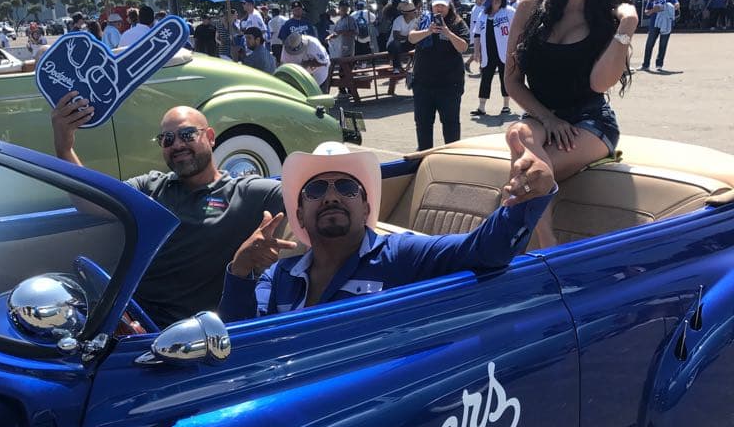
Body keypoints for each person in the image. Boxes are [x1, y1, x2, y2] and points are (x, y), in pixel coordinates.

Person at [220, 135, 555, 320]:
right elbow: (242, 346)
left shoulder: (400, 256)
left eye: (347, 188)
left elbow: (482, 251)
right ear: (301, 214)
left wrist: (527, 198)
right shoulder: (278, 276)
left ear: (365, 207)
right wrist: (239, 270)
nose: (332, 196)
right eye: (317, 190)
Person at [50, 97, 283, 329]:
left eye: (188, 135)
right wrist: (64, 146)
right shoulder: (150, 187)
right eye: (167, 139)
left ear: (210, 137)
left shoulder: (244, 192)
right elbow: (91, 201)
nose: (177, 145)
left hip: (184, 335)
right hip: (126, 318)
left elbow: (303, 194)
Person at [504, 0, 637, 250]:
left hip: (589, 123)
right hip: (540, 117)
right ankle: (548, 249)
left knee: (526, 174)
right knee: (518, 131)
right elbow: (513, 81)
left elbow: (599, 85)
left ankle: (538, 250)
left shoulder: (609, 14)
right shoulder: (530, 7)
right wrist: (548, 119)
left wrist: (626, 28)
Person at [407, 0, 470, 151]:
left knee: (450, 126)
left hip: (449, 86)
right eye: (436, 5)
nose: (439, 8)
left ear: (449, 4)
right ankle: (423, 158)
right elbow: (411, 38)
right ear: (431, 5)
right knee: (423, 125)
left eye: (443, 5)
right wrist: (428, 31)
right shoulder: (423, 19)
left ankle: (452, 159)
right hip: (423, 85)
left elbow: (463, 47)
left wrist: (448, 33)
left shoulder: (457, 22)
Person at [471, 0, 515, 119]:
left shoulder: (509, 11)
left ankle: (506, 105)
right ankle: (481, 107)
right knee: (485, 78)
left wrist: (515, 49)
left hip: (505, 52)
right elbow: (477, 34)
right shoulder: (482, 14)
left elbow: (517, 30)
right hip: (488, 53)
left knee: (504, 78)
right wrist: (476, 52)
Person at [641, 0, 679, 71]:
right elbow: (646, 12)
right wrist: (654, 10)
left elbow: (676, 4)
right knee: (649, 44)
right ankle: (646, 65)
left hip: (666, 23)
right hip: (654, 23)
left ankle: (659, 65)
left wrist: (670, 6)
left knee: (663, 44)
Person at [387, 0, 418, 71]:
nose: (415, 13)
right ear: (408, 13)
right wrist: (409, 37)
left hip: (405, 44)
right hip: (393, 46)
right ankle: (396, 67)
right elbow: (396, 36)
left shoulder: (415, 21)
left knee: (419, 43)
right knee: (396, 44)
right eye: (414, 12)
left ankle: (415, 65)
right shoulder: (398, 20)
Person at [466, 0, 486, 73]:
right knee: (480, 50)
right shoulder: (476, 9)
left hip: (482, 32)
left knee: (481, 50)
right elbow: (476, 24)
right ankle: (481, 68)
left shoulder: (482, 7)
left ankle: (468, 63)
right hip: (477, 33)